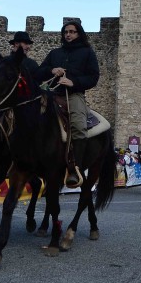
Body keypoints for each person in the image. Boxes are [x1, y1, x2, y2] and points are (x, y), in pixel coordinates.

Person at [36, 21, 99, 188]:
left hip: (73, 95)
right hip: (51, 94)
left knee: (78, 126)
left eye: (72, 31)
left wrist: (74, 82)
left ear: (79, 34)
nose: (68, 35)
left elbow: (93, 77)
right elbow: (39, 73)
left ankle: (75, 168)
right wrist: (51, 70)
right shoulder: (54, 53)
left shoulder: (87, 53)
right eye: (66, 32)